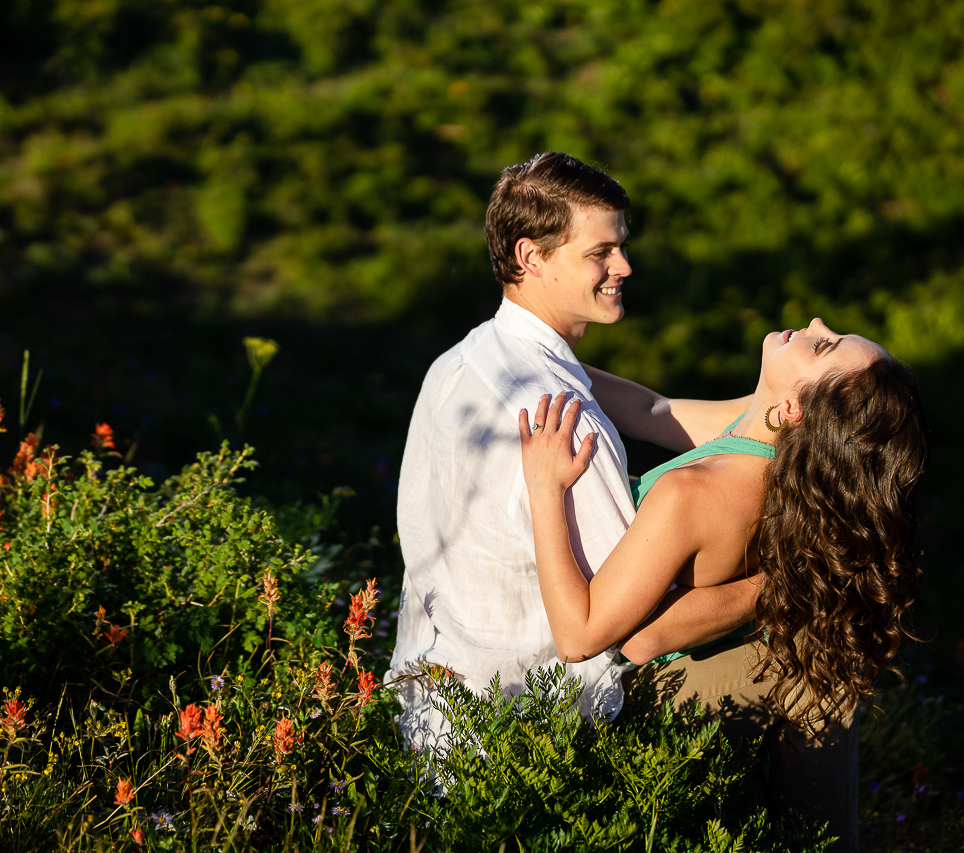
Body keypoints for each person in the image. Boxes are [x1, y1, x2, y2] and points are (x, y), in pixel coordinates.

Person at [386, 151, 758, 755]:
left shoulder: (466, 359)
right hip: (534, 726)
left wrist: (789, 405)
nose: (625, 267)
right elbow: (633, 624)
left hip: (435, 713)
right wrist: (786, 583)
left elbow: (654, 412)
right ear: (530, 256)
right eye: (600, 253)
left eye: (622, 246)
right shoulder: (561, 417)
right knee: (804, 667)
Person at [519, 319, 928, 851]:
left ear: (795, 409)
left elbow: (583, 637)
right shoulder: (776, 445)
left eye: (824, 344)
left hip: (653, 700)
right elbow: (651, 411)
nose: (816, 323)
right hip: (712, 665)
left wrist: (544, 490)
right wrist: (534, 351)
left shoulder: (696, 494)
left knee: (811, 683)